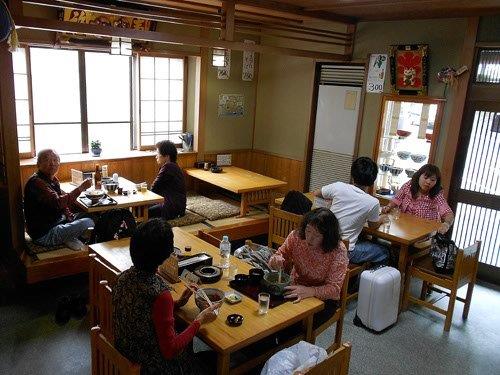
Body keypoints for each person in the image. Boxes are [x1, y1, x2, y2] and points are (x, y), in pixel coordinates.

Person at [113, 219, 219, 374]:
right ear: (165, 254)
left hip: (124, 353)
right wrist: (199, 320)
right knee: (210, 363)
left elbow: (147, 311)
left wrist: (179, 303)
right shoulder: (160, 294)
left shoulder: (122, 277)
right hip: (149, 367)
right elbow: (171, 350)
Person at [268, 208, 348, 327]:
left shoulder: (338, 251)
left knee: (291, 325)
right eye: (308, 230)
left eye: (316, 235)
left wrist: (310, 291)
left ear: (327, 236)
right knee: (271, 312)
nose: (309, 238)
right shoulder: (296, 236)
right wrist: (276, 259)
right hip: (295, 287)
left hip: (324, 299)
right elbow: (280, 254)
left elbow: (334, 289)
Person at [313, 157, 390, 265]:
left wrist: (330, 204)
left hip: (325, 242)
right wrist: (381, 219)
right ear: (372, 180)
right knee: (384, 252)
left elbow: (316, 193)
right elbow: (373, 226)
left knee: (363, 239)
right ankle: (360, 281)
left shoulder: (338, 187)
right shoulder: (373, 202)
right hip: (344, 251)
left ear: (352, 174)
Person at [24, 149, 93, 250]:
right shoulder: (37, 183)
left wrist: (69, 216)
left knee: (91, 215)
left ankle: (69, 237)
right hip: (44, 234)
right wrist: (81, 188)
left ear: (59, 163)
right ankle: (69, 238)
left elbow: (62, 206)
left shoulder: (53, 180)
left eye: (55, 160)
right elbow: (58, 203)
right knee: (89, 222)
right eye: (47, 160)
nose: (52, 163)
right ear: (38, 164)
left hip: (58, 222)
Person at [381, 164, 454, 234]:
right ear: (419, 176)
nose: (428, 182)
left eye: (432, 180)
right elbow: (397, 198)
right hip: (404, 226)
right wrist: (388, 207)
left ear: (436, 182)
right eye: (425, 178)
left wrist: (446, 224)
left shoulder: (437, 193)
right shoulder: (409, 185)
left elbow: (448, 213)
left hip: (425, 231)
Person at [148, 140, 187, 220]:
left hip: (172, 207)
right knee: (142, 208)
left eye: (158, 153)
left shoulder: (168, 167)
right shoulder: (173, 166)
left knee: (143, 212)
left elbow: (154, 188)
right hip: (177, 205)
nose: (156, 156)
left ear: (167, 156)